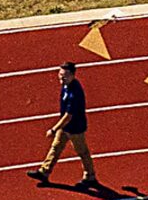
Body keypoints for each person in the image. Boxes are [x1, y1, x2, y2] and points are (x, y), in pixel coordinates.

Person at [29, 60, 99, 190]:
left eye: (65, 74)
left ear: (73, 75)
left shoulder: (74, 93)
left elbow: (69, 116)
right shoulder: (66, 85)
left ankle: (90, 176)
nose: (61, 77)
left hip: (75, 128)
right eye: (60, 74)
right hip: (66, 125)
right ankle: (44, 171)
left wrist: (54, 129)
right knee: (56, 147)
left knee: (82, 151)